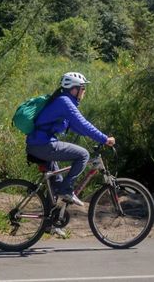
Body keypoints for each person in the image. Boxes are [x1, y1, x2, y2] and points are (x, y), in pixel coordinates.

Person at [26, 71, 115, 207]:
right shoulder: (65, 102)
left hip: (39, 144)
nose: (84, 92)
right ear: (74, 89)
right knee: (83, 155)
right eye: (83, 88)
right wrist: (104, 139)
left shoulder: (62, 100)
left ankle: (50, 224)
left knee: (56, 183)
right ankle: (67, 190)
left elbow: (77, 127)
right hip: (43, 145)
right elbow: (83, 124)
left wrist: (95, 138)